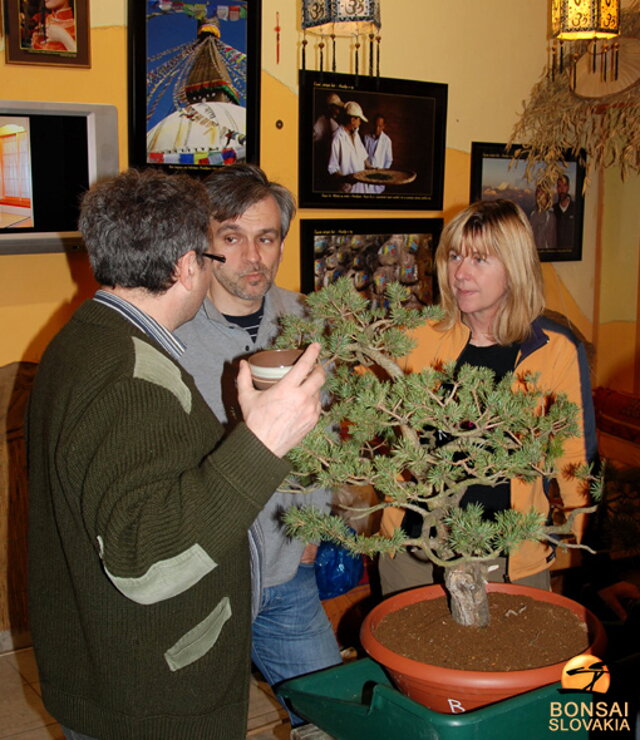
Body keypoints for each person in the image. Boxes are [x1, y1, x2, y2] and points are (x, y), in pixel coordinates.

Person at [26, 168, 325, 740]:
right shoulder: (132, 376)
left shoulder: (85, 338)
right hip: (149, 696)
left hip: (111, 673)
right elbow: (146, 560)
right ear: (188, 265)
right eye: (218, 247)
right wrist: (262, 444)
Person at [377, 199, 640, 617]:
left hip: (506, 559)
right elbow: (358, 404)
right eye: (454, 255)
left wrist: (589, 557)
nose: (460, 272)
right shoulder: (417, 336)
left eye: (480, 259)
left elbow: (576, 458)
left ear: (515, 267)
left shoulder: (554, 351)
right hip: (414, 550)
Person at [175, 164, 342, 728]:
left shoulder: (308, 320)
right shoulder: (171, 330)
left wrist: (315, 526)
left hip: (288, 574)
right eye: (233, 237)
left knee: (332, 718)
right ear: (204, 244)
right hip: (202, 583)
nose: (253, 256)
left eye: (266, 238)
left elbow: (333, 431)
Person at [327, 100, 374, 194]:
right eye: (359, 120)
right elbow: (332, 169)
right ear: (352, 120)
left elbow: (363, 158)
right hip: (348, 190)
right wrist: (346, 179)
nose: (360, 123)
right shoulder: (337, 138)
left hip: (362, 188)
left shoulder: (356, 135)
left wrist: (371, 168)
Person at [312, 92, 344, 192]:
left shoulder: (334, 123)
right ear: (330, 107)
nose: (339, 110)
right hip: (324, 165)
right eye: (336, 107)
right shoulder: (320, 123)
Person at [364, 113, 393, 193]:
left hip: (379, 176)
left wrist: (382, 173)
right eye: (375, 125)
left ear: (384, 126)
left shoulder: (387, 141)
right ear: (372, 125)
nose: (377, 128)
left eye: (380, 126)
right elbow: (364, 156)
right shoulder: (366, 137)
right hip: (367, 173)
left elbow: (389, 160)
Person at [528, 184, 557, 251]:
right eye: (538, 192)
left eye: (542, 192)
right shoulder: (533, 214)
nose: (540, 194)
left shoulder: (550, 216)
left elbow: (552, 241)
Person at [553, 174, 577, 249]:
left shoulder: (576, 209)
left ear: (568, 187)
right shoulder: (553, 210)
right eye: (559, 186)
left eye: (564, 186)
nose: (562, 189)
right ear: (557, 189)